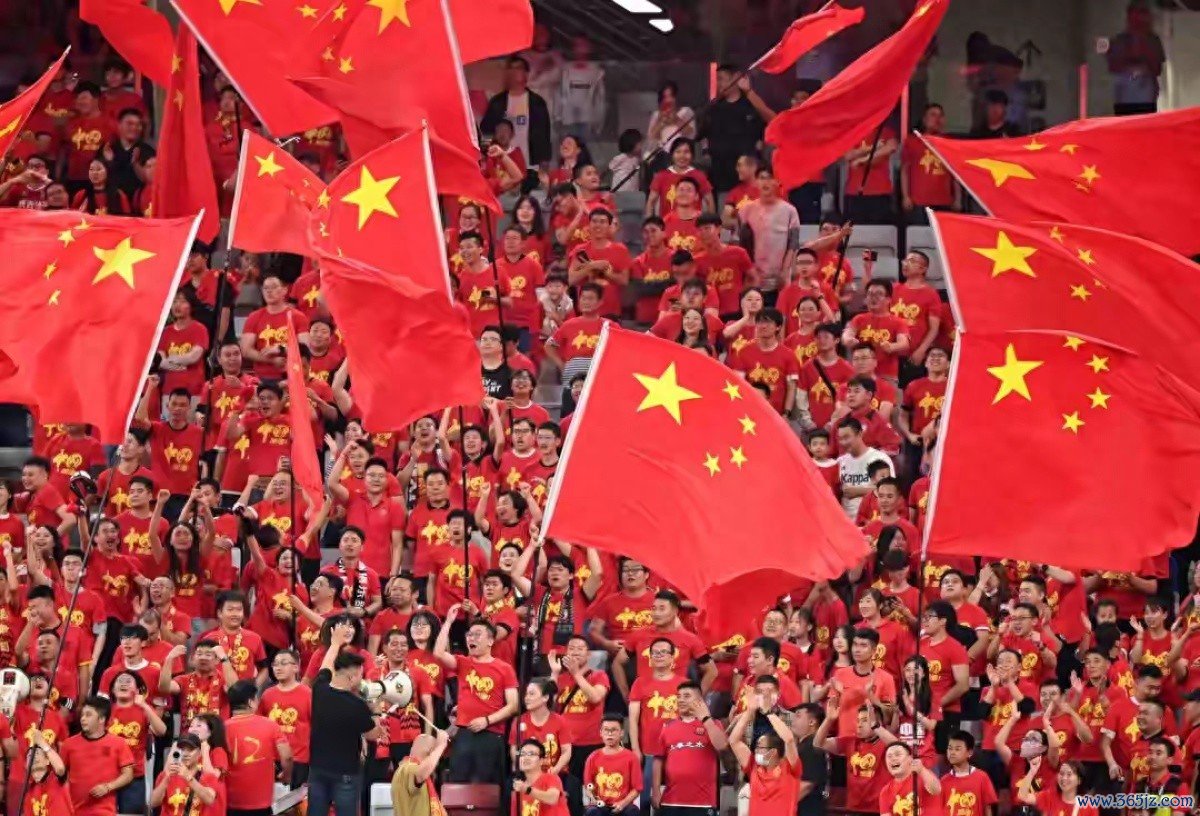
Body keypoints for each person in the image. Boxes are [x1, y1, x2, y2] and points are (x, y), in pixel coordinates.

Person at [308, 620, 386, 816]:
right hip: (346, 775)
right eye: (360, 676)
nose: (362, 680)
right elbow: (372, 734)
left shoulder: (319, 689)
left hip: (317, 770)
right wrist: (376, 711)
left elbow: (325, 666)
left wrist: (335, 644)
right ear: (352, 678)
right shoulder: (357, 705)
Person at [434, 608, 520, 783]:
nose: (471, 638)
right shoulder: (463, 662)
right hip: (464, 733)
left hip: (491, 734)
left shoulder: (504, 668)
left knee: (487, 789)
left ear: (490, 641)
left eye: (477, 634)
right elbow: (438, 653)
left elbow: (513, 705)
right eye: (469, 635)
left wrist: (487, 721)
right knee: (459, 786)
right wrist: (448, 622)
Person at [651, 681, 728, 816]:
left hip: (703, 802)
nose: (681, 700)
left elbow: (722, 745)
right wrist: (656, 791)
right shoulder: (668, 727)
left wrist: (706, 719)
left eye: (686, 696)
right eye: (678, 696)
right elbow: (658, 760)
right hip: (671, 801)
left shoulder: (713, 724)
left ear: (699, 701)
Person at [696, 68, 772, 192]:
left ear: (735, 78)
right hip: (719, 172)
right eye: (717, 80)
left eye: (721, 79)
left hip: (746, 172)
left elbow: (767, 126)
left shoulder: (751, 106)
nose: (719, 83)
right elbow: (701, 135)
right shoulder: (713, 109)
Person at [59, 695, 136, 816]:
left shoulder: (118, 744)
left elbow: (128, 774)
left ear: (101, 719)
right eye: (82, 715)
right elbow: (60, 776)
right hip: (73, 811)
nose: (83, 719)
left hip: (104, 811)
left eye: (88, 715)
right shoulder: (69, 744)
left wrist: (108, 787)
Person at [728, 691, 803, 816]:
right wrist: (749, 712)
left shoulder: (790, 769)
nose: (756, 750)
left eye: (760, 747)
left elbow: (789, 739)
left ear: (773, 751)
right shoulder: (753, 767)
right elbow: (733, 741)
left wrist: (768, 713)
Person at [225, 679, 292, 816]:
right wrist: (286, 775)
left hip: (231, 802)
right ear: (251, 702)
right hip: (261, 803)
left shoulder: (222, 729)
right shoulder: (270, 725)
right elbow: (287, 757)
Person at [738, 167, 801, 303]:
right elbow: (742, 245)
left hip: (780, 277)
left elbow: (793, 243)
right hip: (753, 276)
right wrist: (750, 271)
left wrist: (785, 271)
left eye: (770, 178)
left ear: (778, 182)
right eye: (762, 178)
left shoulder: (790, 211)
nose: (766, 182)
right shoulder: (745, 210)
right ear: (756, 182)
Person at [481, 56, 552, 169]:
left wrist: (544, 160)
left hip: (530, 162)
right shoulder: (497, 102)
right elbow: (486, 131)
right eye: (511, 68)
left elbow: (544, 134)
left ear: (526, 74)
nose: (513, 72)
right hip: (502, 163)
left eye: (518, 68)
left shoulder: (537, 103)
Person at [1107, 1, 1165, 116]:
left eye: (1142, 15)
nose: (1138, 20)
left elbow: (1157, 68)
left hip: (1146, 94)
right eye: (1134, 16)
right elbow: (1113, 66)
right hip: (1124, 95)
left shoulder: (1153, 40)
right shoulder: (1120, 40)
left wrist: (1143, 46)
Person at [584, 714, 642, 816]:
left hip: (624, 805)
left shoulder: (631, 758)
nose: (609, 733)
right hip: (600, 805)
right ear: (601, 732)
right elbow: (588, 785)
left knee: (632, 812)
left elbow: (637, 789)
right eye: (606, 730)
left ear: (622, 733)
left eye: (614, 730)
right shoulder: (593, 757)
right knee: (592, 812)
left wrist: (622, 803)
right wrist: (596, 800)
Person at [391, 730, 451, 816]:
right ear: (431, 752)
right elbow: (421, 774)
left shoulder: (403, 768)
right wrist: (441, 746)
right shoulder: (408, 768)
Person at [514, 739, 571, 816]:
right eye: (522, 754)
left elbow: (552, 798)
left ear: (541, 761)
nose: (526, 757)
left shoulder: (551, 777)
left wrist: (527, 790)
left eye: (531, 754)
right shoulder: (518, 790)